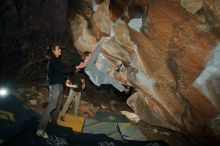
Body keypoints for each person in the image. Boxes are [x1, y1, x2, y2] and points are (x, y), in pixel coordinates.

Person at [36, 44, 85, 139]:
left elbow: (63, 71)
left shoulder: (57, 61)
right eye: (58, 48)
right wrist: (76, 67)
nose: (60, 49)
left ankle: (54, 123)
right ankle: (40, 128)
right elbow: (63, 70)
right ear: (54, 51)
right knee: (52, 105)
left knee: (58, 106)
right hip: (55, 86)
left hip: (59, 85)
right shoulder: (53, 60)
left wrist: (78, 67)